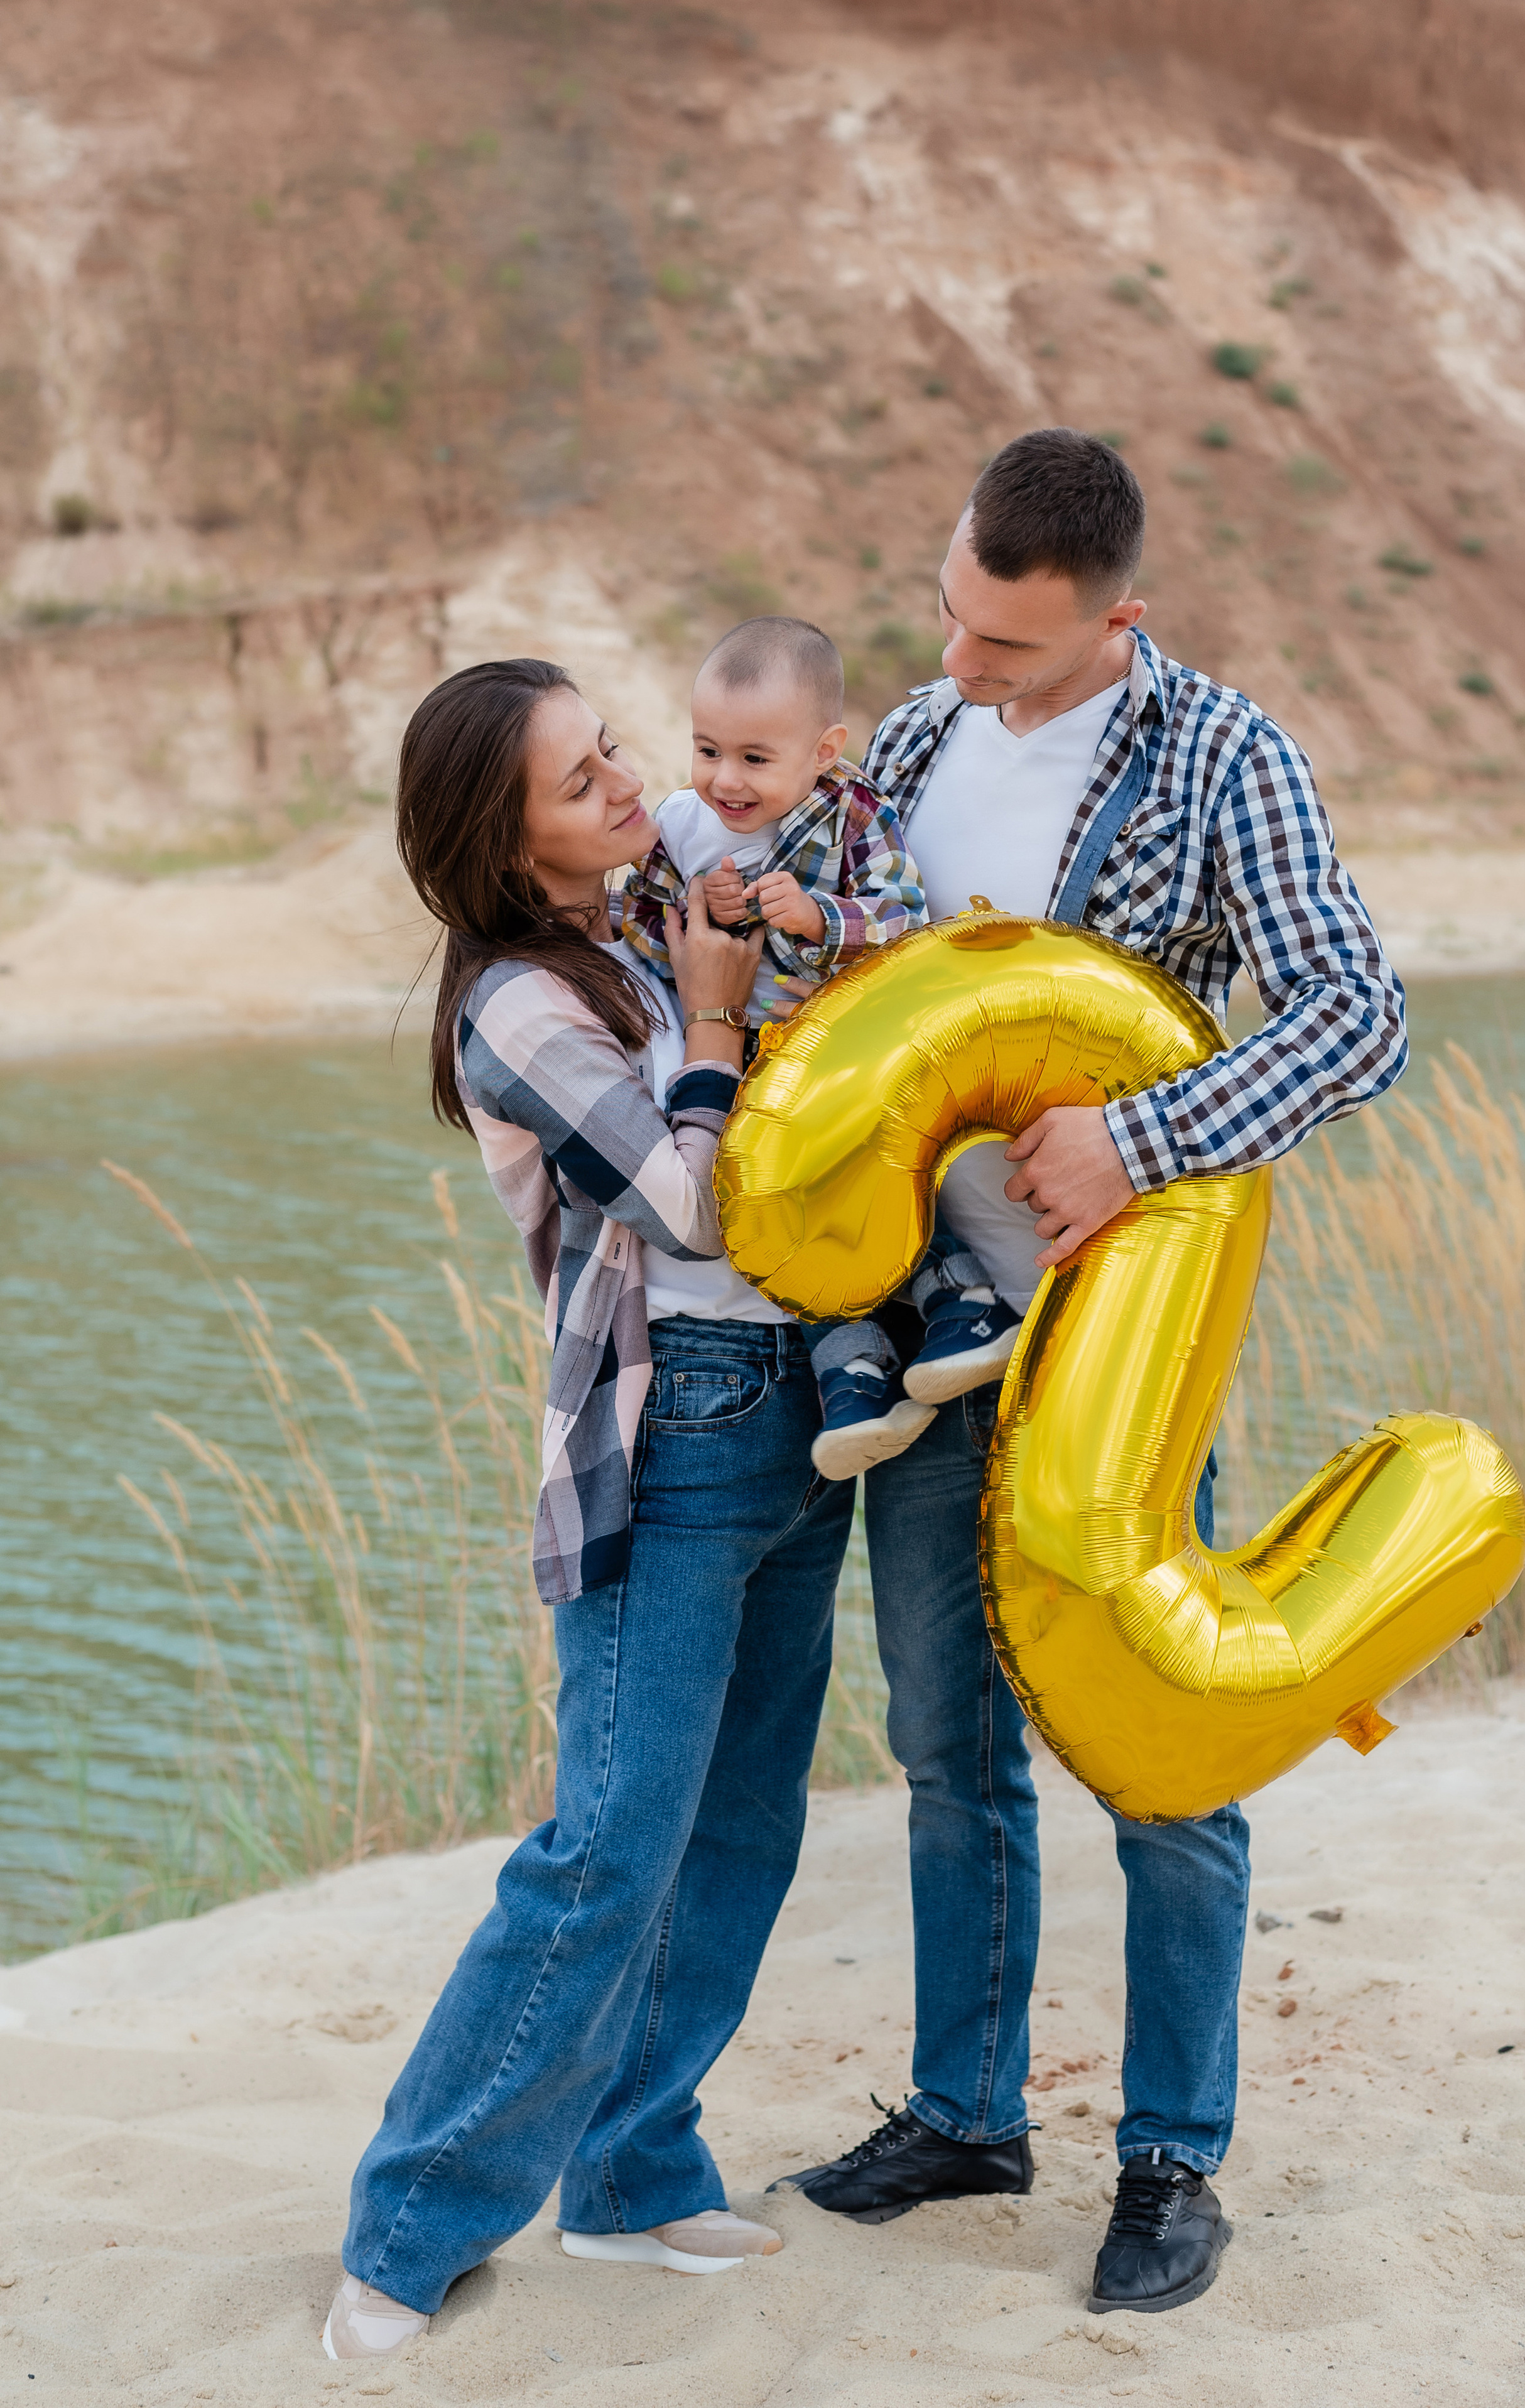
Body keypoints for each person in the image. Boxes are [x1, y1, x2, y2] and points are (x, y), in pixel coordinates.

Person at [771, 427, 1408, 2318]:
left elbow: (1356, 1015)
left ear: (1117, 622)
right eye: (952, 619)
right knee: (948, 1738)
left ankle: (1171, 2158)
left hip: (1124, 1332)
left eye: (1010, 650)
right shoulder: (900, 736)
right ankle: (968, 2110)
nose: (961, 669)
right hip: (938, 1340)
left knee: (1153, 1747)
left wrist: (1141, 1136)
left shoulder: (1229, 756)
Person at [325, 656, 859, 2362]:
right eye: (580, 779)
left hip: (796, 1420)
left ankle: (631, 2168)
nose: (624, 780)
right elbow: (692, 1205)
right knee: (607, 1850)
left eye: (610, 745)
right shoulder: (518, 1010)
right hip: (674, 1439)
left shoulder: (653, 906)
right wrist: (712, 1018)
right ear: (506, 840)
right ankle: (409, 2228)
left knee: (746, 1827)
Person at [621, 612, 1024, 1482]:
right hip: (745, 1066)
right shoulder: (681, 827)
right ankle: (852, 1369)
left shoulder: (853, 817)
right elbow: (644, 936)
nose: (725, 779)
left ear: (824, 749)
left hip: (837, 1049)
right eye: (707, 749)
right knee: (780, 1206)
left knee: (868, 1175)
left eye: (755, 759)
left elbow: (909, 922)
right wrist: (698, 909)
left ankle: (961, 1297)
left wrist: (819, 917)